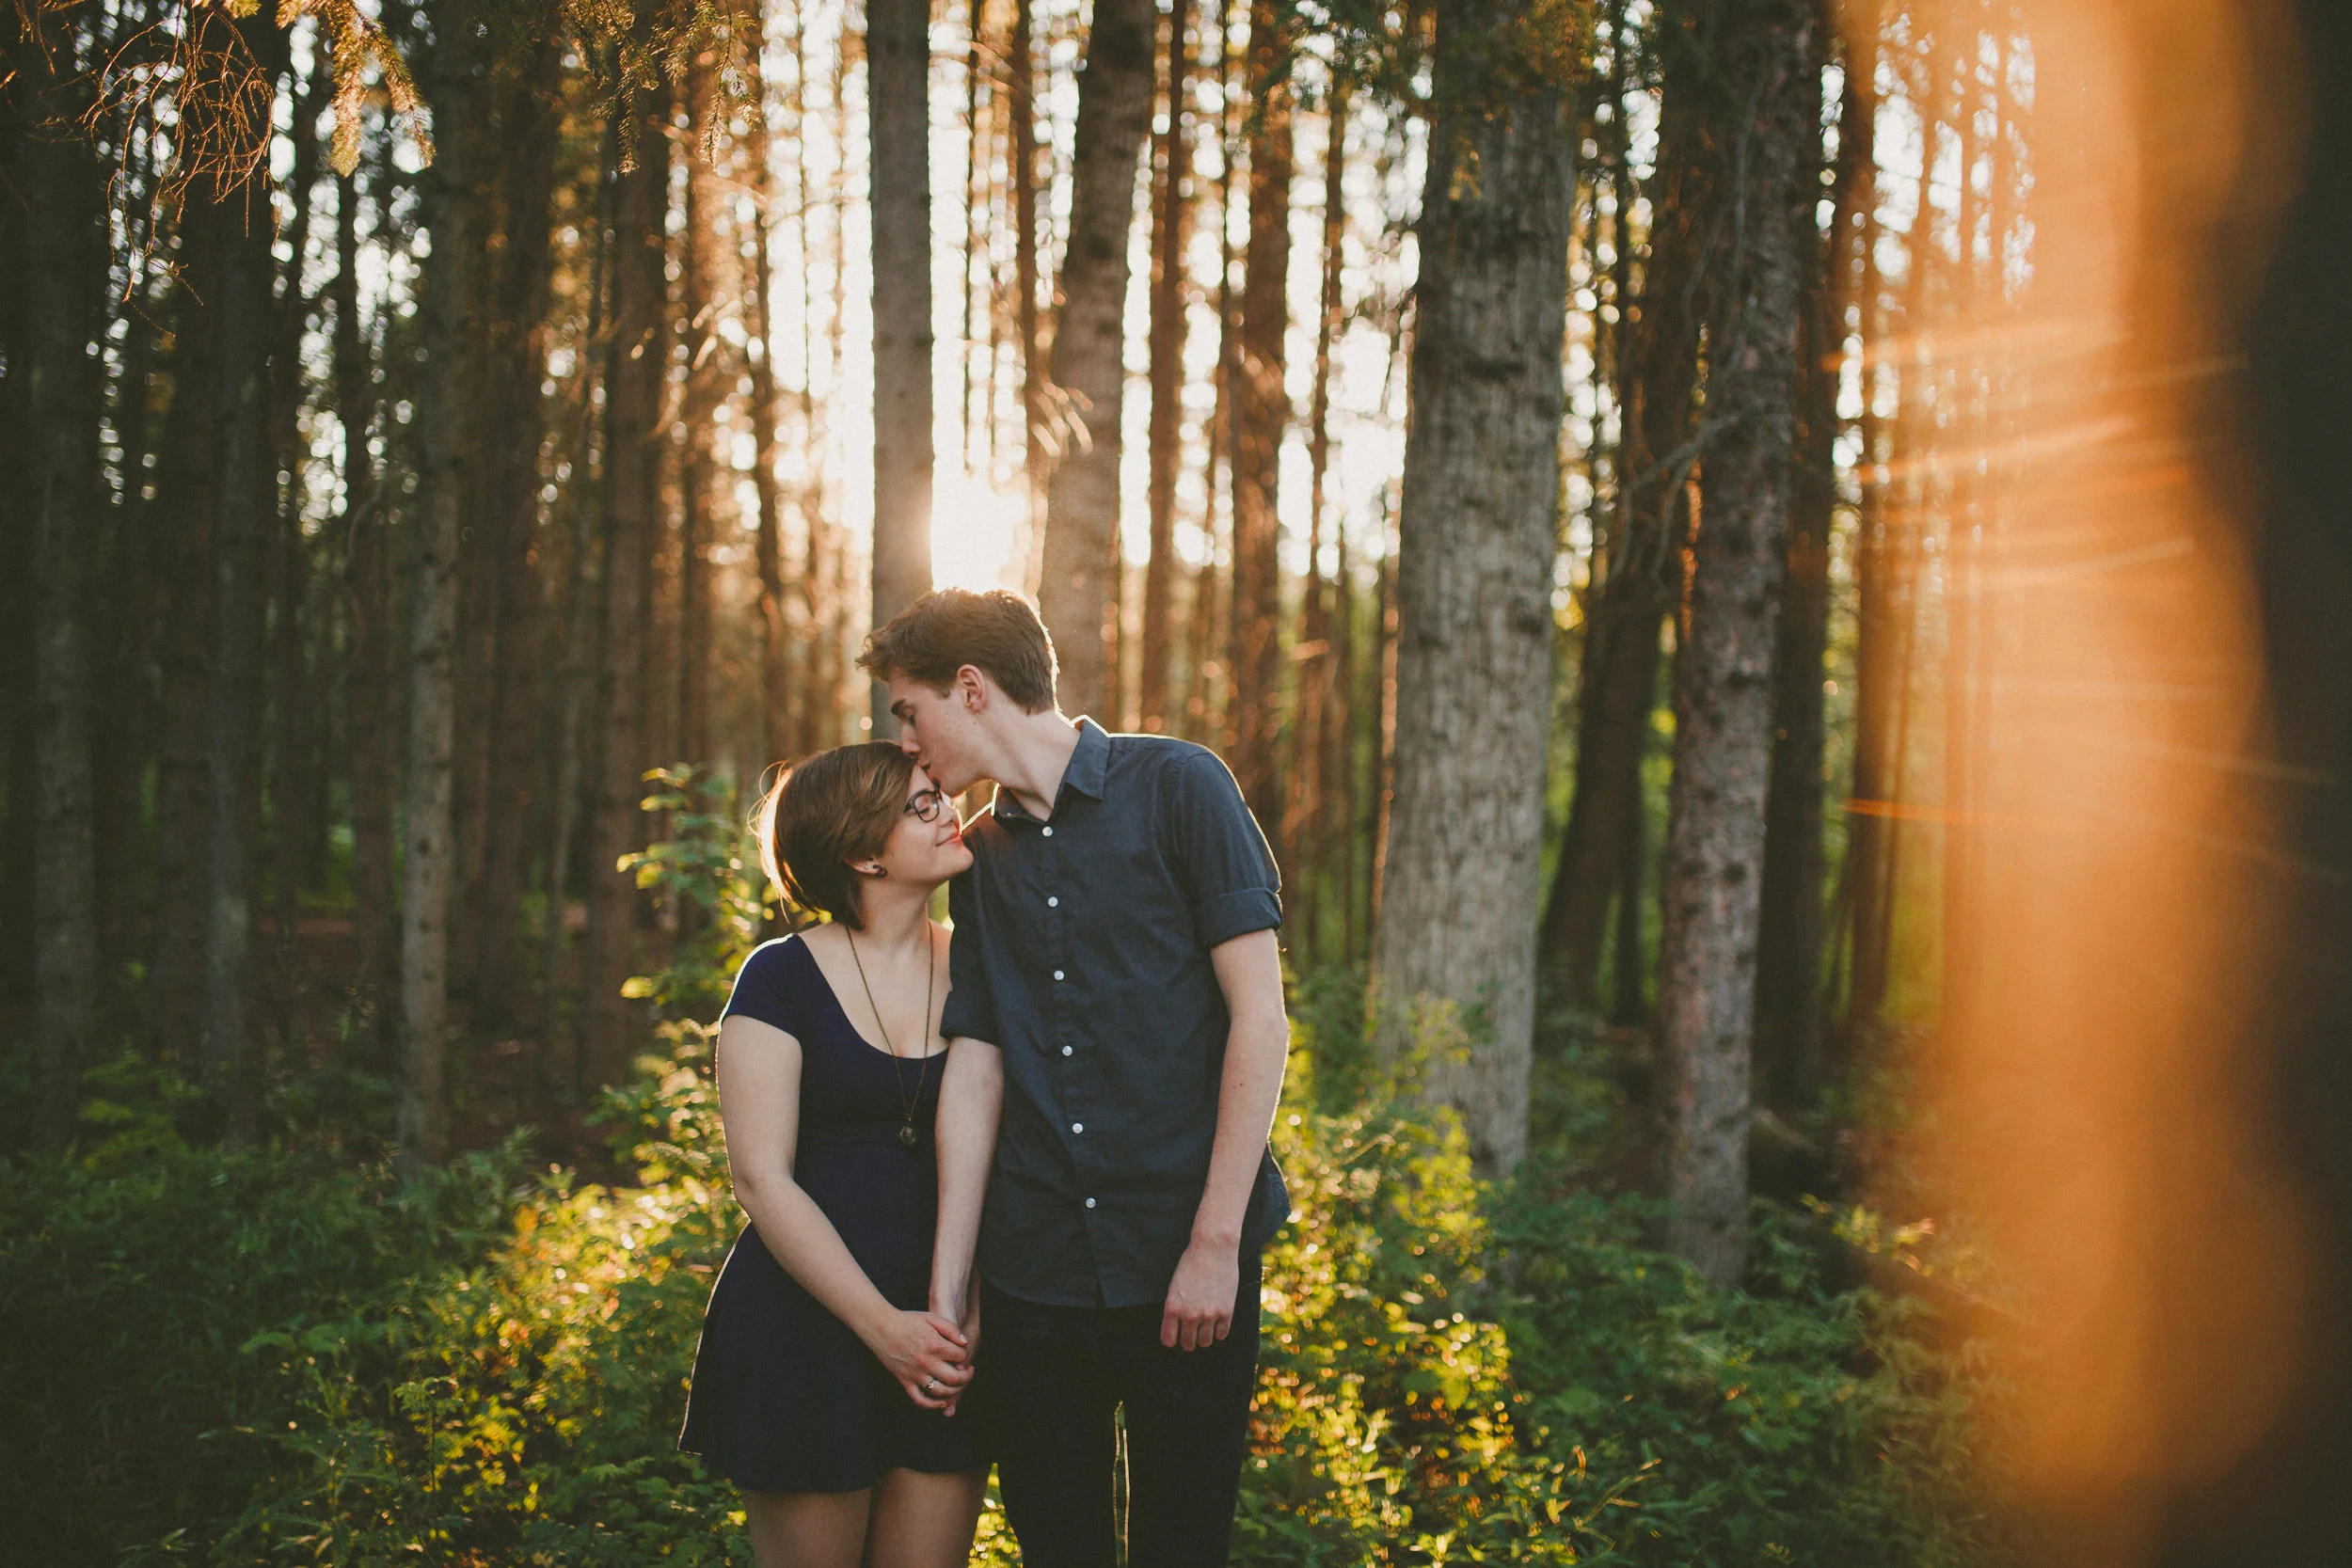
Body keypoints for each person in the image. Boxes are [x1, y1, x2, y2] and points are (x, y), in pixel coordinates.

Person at [857, 587, 1293, 1568]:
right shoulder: (981, 857)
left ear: (968, 688)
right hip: (1037, 1271)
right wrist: (954, 1283)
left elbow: (1260, 1022)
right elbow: (979, 1063)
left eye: (909, 711)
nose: (909, 744)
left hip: (1190, 1258)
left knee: (1183, 1545)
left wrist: (1214, 1242)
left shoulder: (1180, 784)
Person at [676, 743, 988, 1568]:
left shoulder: (983, 968)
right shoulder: (777, 979)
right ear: (863, 850)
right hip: (809, 1332)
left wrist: (957, 1310)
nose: (949, 808)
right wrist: (882, 1327)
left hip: (948, 1336)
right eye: (921, 804)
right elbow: (760, 1178)